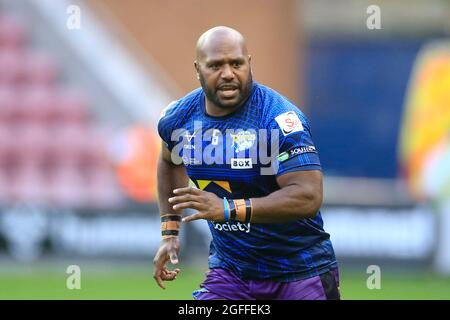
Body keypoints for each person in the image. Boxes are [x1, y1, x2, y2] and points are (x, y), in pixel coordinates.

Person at [153, 26, 340, 300]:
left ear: (248, 63)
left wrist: (228, 209)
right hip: (231, 273)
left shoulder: (279, 119)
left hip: (299, 272)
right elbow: (169, 161)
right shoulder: (179, 119)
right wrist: (170, 231)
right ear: (198, 68)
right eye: (216, 65)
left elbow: (308, 196)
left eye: (236, 64)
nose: (228, 73)